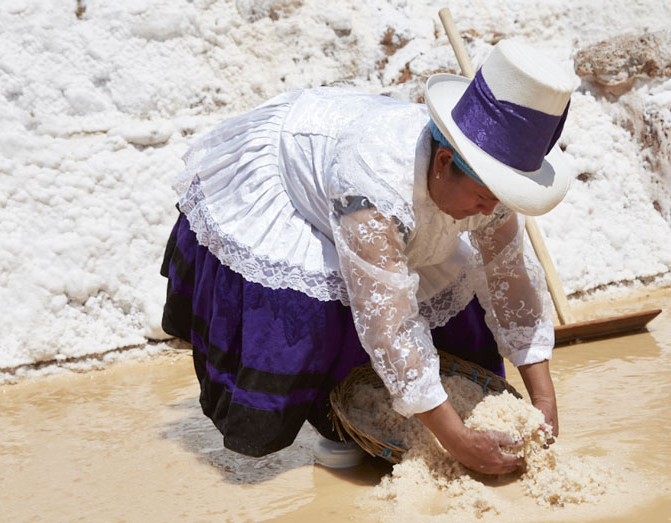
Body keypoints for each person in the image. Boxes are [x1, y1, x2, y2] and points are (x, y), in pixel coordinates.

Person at [160, 39, 576, 475]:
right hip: (297, 171)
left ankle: (409, 412)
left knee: (457, 308)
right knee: (312, 320)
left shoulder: (488, 188)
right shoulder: (371, 183)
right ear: (443, 161)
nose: (490, 212)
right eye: (483, 198)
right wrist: (458, 442)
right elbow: (388, 323)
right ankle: (336, 421)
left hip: (387, 194)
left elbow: (510, 285)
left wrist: (544, 401)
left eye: (501, 199)